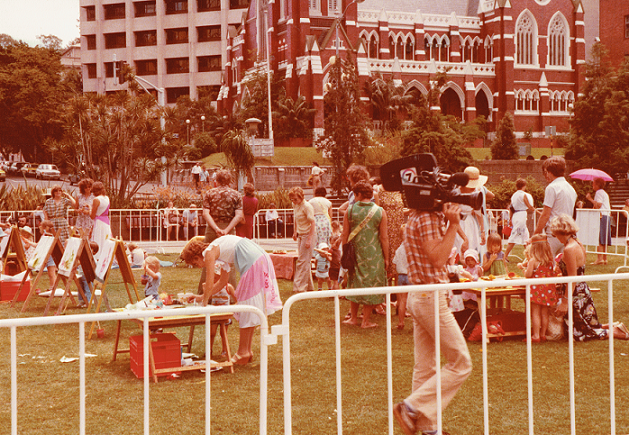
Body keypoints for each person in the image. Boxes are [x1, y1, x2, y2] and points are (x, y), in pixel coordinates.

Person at [393, 202, 472, 435]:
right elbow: (438, 259)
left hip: (421, 295)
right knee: (461, 362)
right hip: (430, 296)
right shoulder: (427, 218)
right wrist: (453, 225)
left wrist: (449, 223)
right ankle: (410, 407)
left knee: (425, 367)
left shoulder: (419, 216)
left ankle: (429, 430)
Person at [180, 235, 282, 365]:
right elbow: (222, 282)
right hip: (259, 257)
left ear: (197, 257)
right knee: (248, 306)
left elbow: (210, 281)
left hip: (253, 260)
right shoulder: (220, 253)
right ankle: (247, 350)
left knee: (246, 306)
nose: (199, 266)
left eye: (196, 264)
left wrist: (204, 304)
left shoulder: (210, 253)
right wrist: (201, 297)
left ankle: (242, 351)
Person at [549, 214, 608, 341]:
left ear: (560, 232)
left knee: (581, 332)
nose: (555, 238)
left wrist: (565, 303)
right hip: (582, 289)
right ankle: (613, 328)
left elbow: (572, 277)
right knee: (585, 326)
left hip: (575, 293)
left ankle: (616, 331)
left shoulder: (569, 249)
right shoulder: (577, 243)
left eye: (555, 234)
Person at [341, 180, 389, 329]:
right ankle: (366, 320)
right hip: (374, 253)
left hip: (355, 253)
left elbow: (344, 234)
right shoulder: (380, 211)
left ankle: (353, 318)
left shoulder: (350, 210)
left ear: (359, 194)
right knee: (371, 284)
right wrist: (387, 257)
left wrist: (344, 252)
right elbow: (384, 237)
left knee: (355, 282)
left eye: (354, 194)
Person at [200, 169, 243, 294]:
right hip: (229, 230)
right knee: (229, 263)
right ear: (230, 181)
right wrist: (226, 230)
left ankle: (204, 293)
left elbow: (205, 213)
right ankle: (231, 292)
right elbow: (239, 216)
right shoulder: (237, 195)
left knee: (207, 260)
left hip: (212, 229)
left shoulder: (209, 193)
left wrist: (216, 229)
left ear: (216, 181)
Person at [534, 156, 577, 255]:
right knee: (562, 267)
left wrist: (536, 233)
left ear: (549, 171)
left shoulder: (552, 188)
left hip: (554, 233)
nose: (545, 175)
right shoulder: (571, 189)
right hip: (567, 233)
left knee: (545, 265)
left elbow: (545, 214)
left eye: (545, 172)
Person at [523, 234, 557, 342]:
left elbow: (528, 275)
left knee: (535, 313)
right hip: (548, 289)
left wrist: (524, 270)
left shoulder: (533, 261)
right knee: (544, 313)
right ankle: (543, 334)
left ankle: (536, 335)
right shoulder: (550, 261)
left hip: (537, 290)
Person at [454, 167, 486, 259]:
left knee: (471, 253)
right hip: (457, 225)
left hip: (470, 224)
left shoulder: (477, 192)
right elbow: (454, 218)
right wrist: (464, 238)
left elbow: (478, 212)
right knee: (458, 252)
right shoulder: (455, 193)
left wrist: (482, 231)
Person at [289, 186, 315, 293]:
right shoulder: (295, 205)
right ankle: (309, 286)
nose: (294, 201)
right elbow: (296, 218)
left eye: (295, 199)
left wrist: (309, 239)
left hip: (308, 234)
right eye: (292, 199)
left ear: (301, 197)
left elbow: (312, 223)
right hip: (301, 234)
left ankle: (299, 287)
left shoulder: (307, 206)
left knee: (302, 261)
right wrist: (295, 231)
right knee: (304, 260)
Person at [209, 260, 236, 360]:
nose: (214, 280)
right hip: (214, 314)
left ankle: (225, 349)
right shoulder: (212, 287)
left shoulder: (228, 287)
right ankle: (209, 349)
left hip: (225, 314)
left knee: (223, 333)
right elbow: (207, 297)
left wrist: (232, 310)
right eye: (213, 278)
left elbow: (236, 299)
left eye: (216, 277)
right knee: (212, 332)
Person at [504, 178, 536, 260]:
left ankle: (529, 256)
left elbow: (511, 208)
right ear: (524, 186)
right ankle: (505, 256)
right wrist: (533, 209)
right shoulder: (524, 195)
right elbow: (529, 206)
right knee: (514, 235)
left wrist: (511, 219)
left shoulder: (514, 195)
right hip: (521, 215)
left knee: (526, 236)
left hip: (516, 215)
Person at [586, 177, 612, 265]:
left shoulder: (598, 193)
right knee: (604, 237)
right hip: (606, 215)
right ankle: (605, 258)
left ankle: (600, 258)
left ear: (597, 184)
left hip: (602, 216)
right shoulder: (604, 193)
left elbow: (598, 205)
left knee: (600, 237)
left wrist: (589, 199)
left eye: (593, 183)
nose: (592, 185)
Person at [392, 230, 409, 330]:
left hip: (401, 276)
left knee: (402, 300)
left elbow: (395, 263)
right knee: (413, 300)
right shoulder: (412, 249)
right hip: (410, 275)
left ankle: (401, 322)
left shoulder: (398, 250)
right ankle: (416, 323)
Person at [90, 182, 112, 254]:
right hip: (106, 221)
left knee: (98, 239)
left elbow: (92, 216)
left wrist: (88, 211)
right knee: (105, 239)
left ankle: (97, 256)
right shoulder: (107, 198)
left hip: (99, 222)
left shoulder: (96, 199)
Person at [76, 241, 100, 308]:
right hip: (80, 275)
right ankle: (82, 301)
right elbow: (78, 263)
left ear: (94, 252)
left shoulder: (92, 259)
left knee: (88, 289)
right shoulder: (82, 256)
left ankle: (89, 301)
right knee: (80, 289)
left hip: (88, 276)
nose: (87, 249)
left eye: (90, 248)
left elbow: (95, 267)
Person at [329, 221, 342, 290]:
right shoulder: (339, 251)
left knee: (335, 282)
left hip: (333, 267)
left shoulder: (331, 250)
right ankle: (335, 292)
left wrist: (326, 256)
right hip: (339, 265)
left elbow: (329, 258)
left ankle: (336, 293)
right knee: (337, 282)